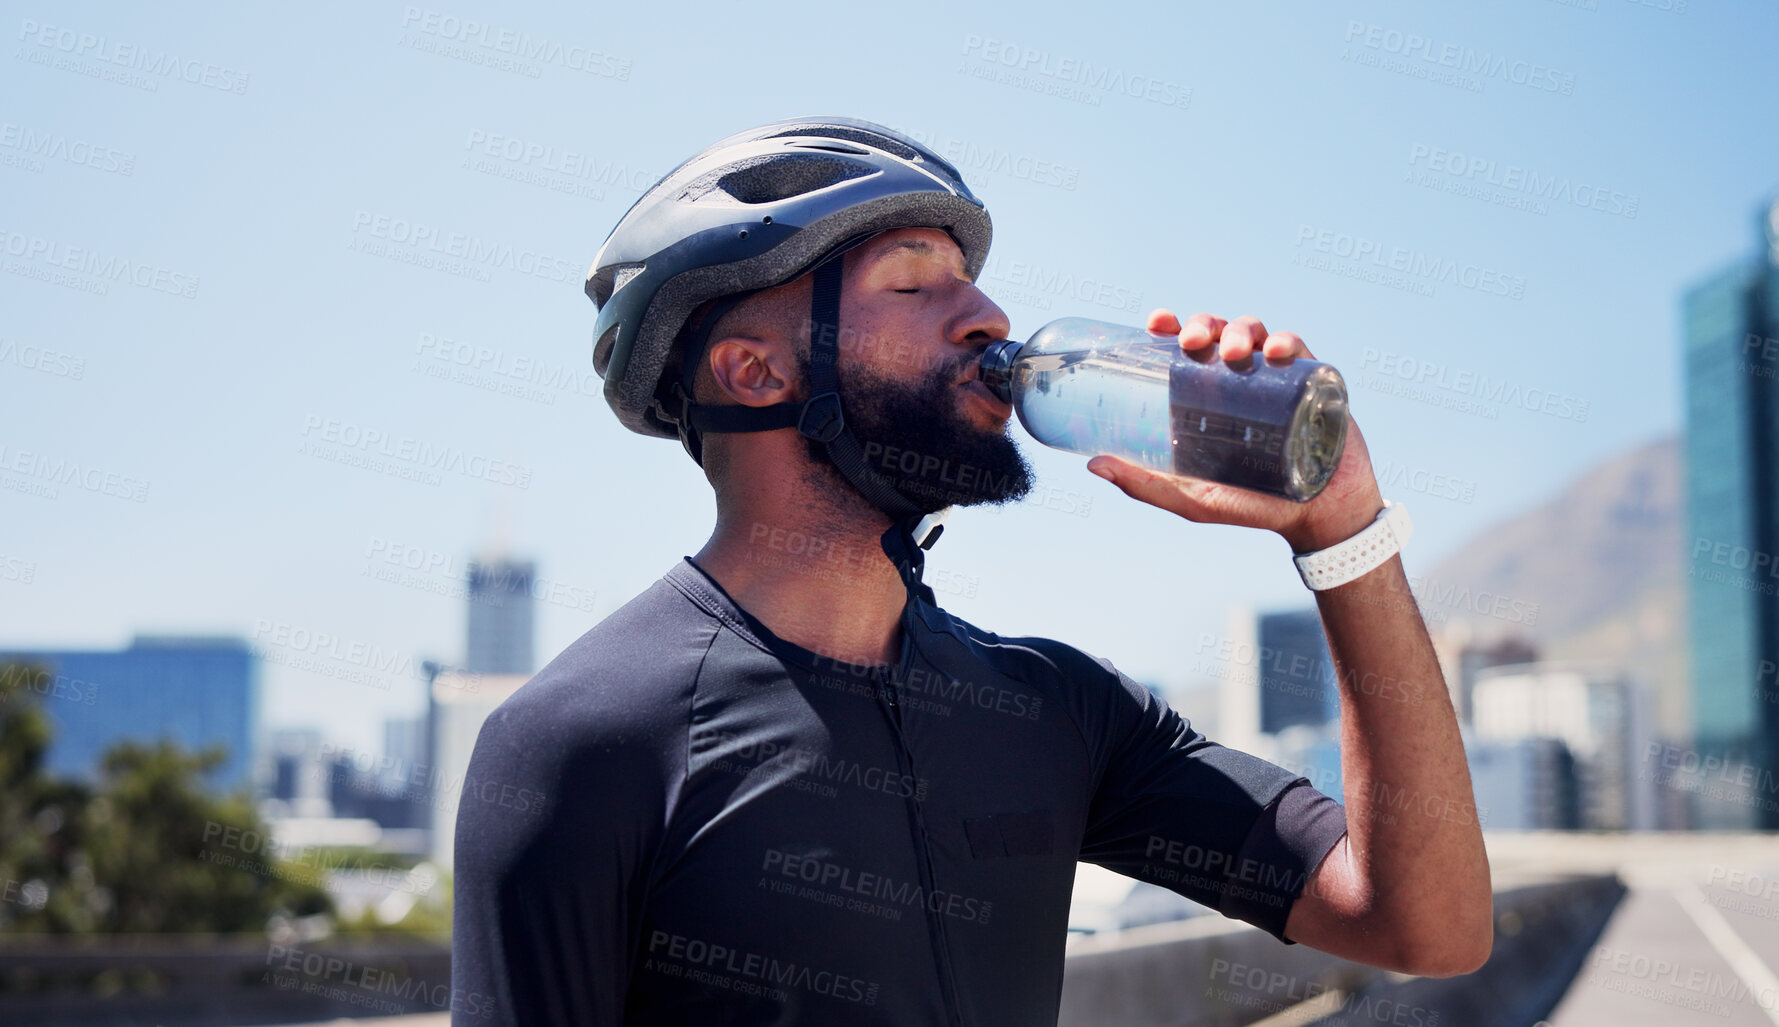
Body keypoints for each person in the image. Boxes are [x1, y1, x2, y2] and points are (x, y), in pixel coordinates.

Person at [451, 116, 1491, 1025]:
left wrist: (1340, 530)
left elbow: (1424, 926)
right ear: (756, 369)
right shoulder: (580, 742)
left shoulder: (1060, 708)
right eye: (914, 282)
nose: (989, 316)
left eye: (974, 281)